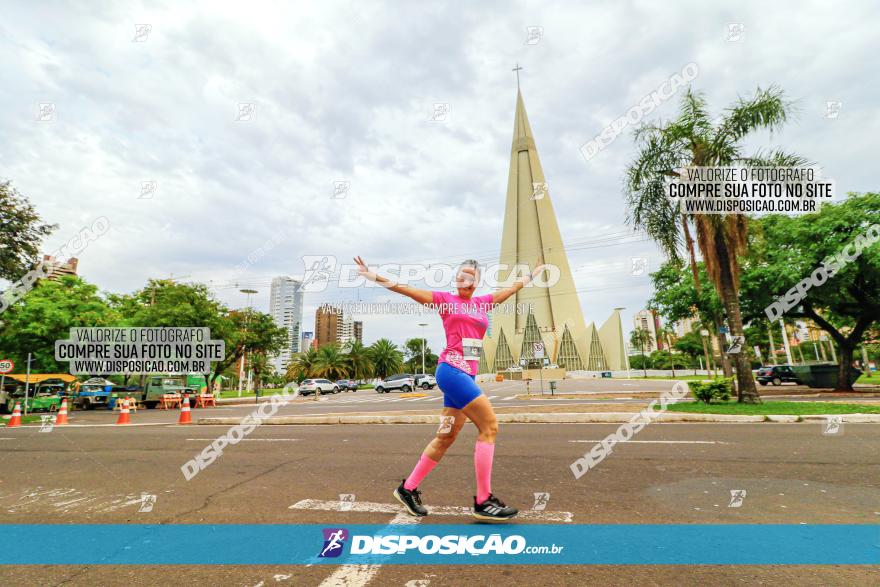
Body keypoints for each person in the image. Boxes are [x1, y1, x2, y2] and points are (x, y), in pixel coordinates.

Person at [353, 256, 545, 521]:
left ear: (477, 282)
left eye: (471, 277)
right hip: (451, 372)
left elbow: (511, 289)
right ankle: (483, 501)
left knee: (446, 436)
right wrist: (372, 275)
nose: (466, 281)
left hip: (465, 376)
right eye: (461, 276)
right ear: (456, 280)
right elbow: (404, 288)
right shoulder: (445, 301)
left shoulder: (482, 304)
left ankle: (407, 489)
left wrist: (532, 275)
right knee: (489, 427)